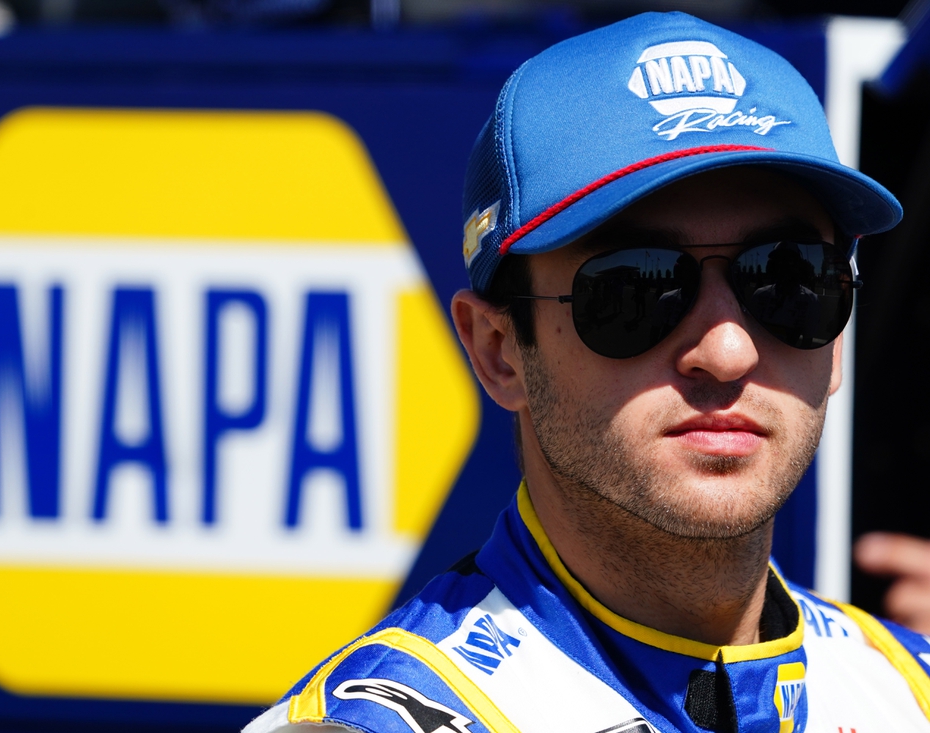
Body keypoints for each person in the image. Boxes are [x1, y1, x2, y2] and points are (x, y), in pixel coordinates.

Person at [245, 12, 930, 733]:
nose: (728, 351)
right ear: (498, 350)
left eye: (789, 280)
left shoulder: (909, 690)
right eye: (636, 288)